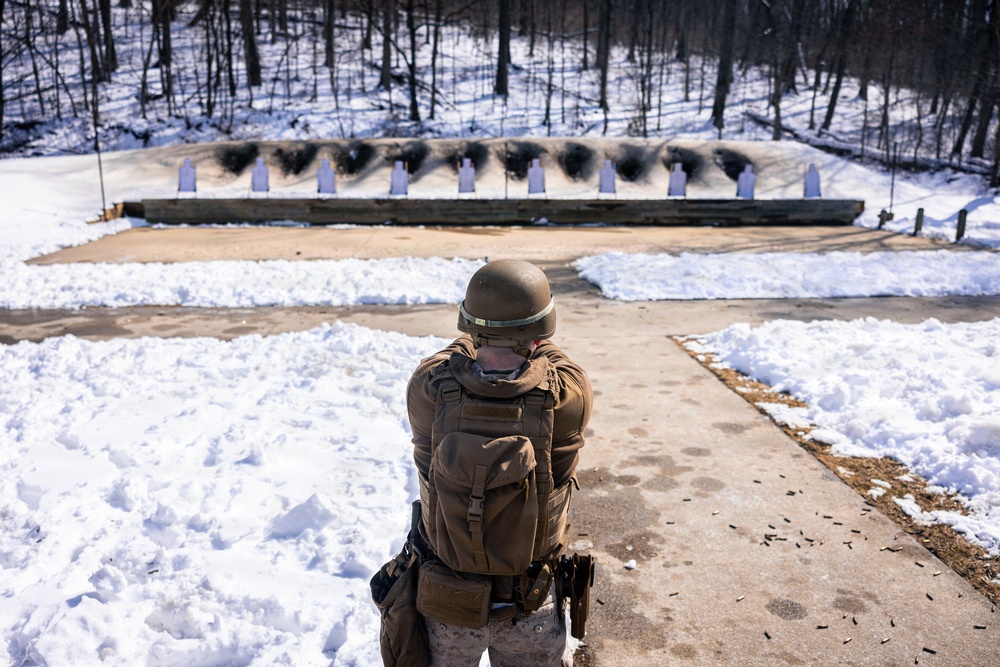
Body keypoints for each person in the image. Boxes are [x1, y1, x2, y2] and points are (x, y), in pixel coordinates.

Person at [405, 259, 593, 667]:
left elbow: (452, 354)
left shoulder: (429, 388)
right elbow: (553, 358)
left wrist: (481, 332)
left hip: (446, 601)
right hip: (532, 603)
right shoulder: (566, 394)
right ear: (541, 326)